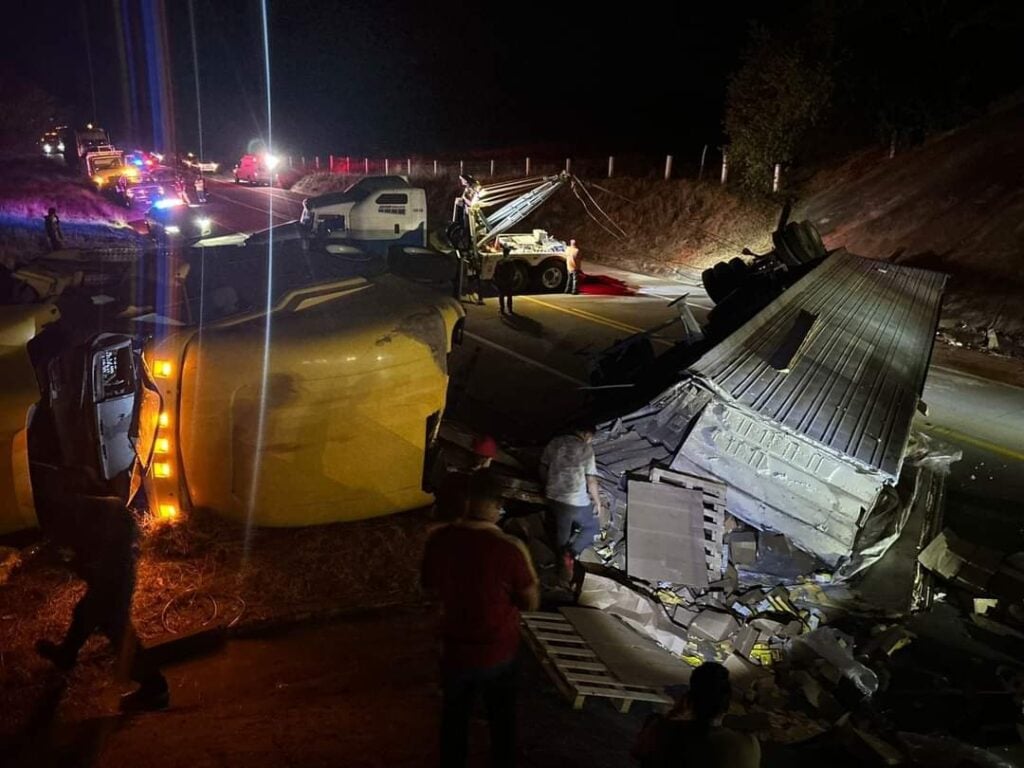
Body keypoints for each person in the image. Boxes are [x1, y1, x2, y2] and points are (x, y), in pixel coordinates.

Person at [421, 470, 540, 768]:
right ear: (495, 506)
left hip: (454, 650)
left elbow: (428, 585)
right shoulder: (510, 548)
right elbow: (530, 602)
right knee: (502, 719)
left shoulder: (439, 540)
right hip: (497, 651)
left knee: (454, 719)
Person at [35, 495, 170, 712]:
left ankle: (155, 687)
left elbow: (95, 562)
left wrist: (74, 564)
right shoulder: (85, 513)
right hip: (117, 556)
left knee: (116, 627)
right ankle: (66, 655)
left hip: (116, 562)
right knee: (85, 612)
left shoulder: (80, 522)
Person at [633, 662, 761, 768]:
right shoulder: (749, 744)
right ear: (727, 705)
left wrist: (671, 716)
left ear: (689, 701)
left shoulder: (668, 732)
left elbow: (637, 751)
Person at [539, 424, 602, 579]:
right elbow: (591, 480)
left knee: (563, 528)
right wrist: (597, 501)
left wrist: (547, 486)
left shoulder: (555, 442)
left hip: (553, 497)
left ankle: (561, 559)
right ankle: (571, 553)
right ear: (587, 434)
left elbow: (542, 467)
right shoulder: (585, 449)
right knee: (592, 526)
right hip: (574, 501)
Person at [493, 244, 517, 315]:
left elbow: (496, 272)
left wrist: (496, 280)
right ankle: (510, 309)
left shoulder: (500, 262)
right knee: (509, 296)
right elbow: (514, 272)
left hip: (502, 281)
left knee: (501, 295)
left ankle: (502, 309)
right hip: (509, 281)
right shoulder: (511, 262)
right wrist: (512, 279)